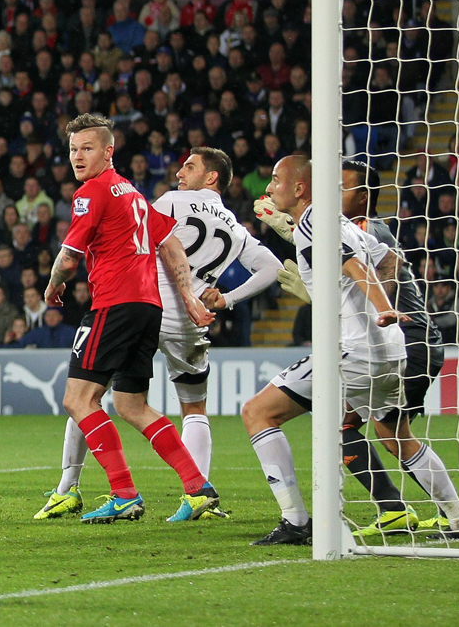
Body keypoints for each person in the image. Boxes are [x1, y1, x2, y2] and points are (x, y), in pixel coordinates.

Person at [37, 147, 280, 521]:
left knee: (85, 394)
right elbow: (271, 268)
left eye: (190, 166)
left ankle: (72, 489)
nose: (180, 172)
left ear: (212, 176)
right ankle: (197, 491)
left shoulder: (169, 201)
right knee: (189, 409)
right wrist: (224, 300)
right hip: (190, 320)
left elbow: (153, 238)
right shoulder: (234, 224)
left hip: (139, 301)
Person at [247, 157, 459, 544]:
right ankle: (458, 518)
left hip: (353, 351)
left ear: (300, 188)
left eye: (275, 180)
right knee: (393, 433)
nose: (268, 189)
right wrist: (375, 301)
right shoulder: (340, 222)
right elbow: (390, 259)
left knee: (258, 413)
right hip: (390, 350)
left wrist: (382, 306)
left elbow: (353, 265)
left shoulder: (313, 221)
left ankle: (298, 522)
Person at [41, 114, 221, 524]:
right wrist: (187, 295)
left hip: (114, 304)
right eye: (72, 149)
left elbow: (69, 258)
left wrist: (53, 285)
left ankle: (124, 493)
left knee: (78, 399)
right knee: (131, 404)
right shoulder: (135, 195)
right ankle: (198, 488)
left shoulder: (93, 192)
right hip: (148, 307)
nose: (77, 156)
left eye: (87, 148)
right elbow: (171, 243)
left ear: (109, 151)